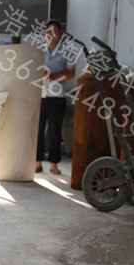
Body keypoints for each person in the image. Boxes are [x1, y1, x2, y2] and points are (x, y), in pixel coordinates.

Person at [36, 20, 75, 175]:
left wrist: (54, 77)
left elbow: (71, 73)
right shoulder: (39, 50)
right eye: (48, 31)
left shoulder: (67, 51)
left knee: (55, 131)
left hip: (56, 96)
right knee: (38, 130)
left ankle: (53, 165)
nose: (51, 34)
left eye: (54, 31)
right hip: (40, 95)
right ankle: (37, 163)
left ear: (59, 34)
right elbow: (32, 68)